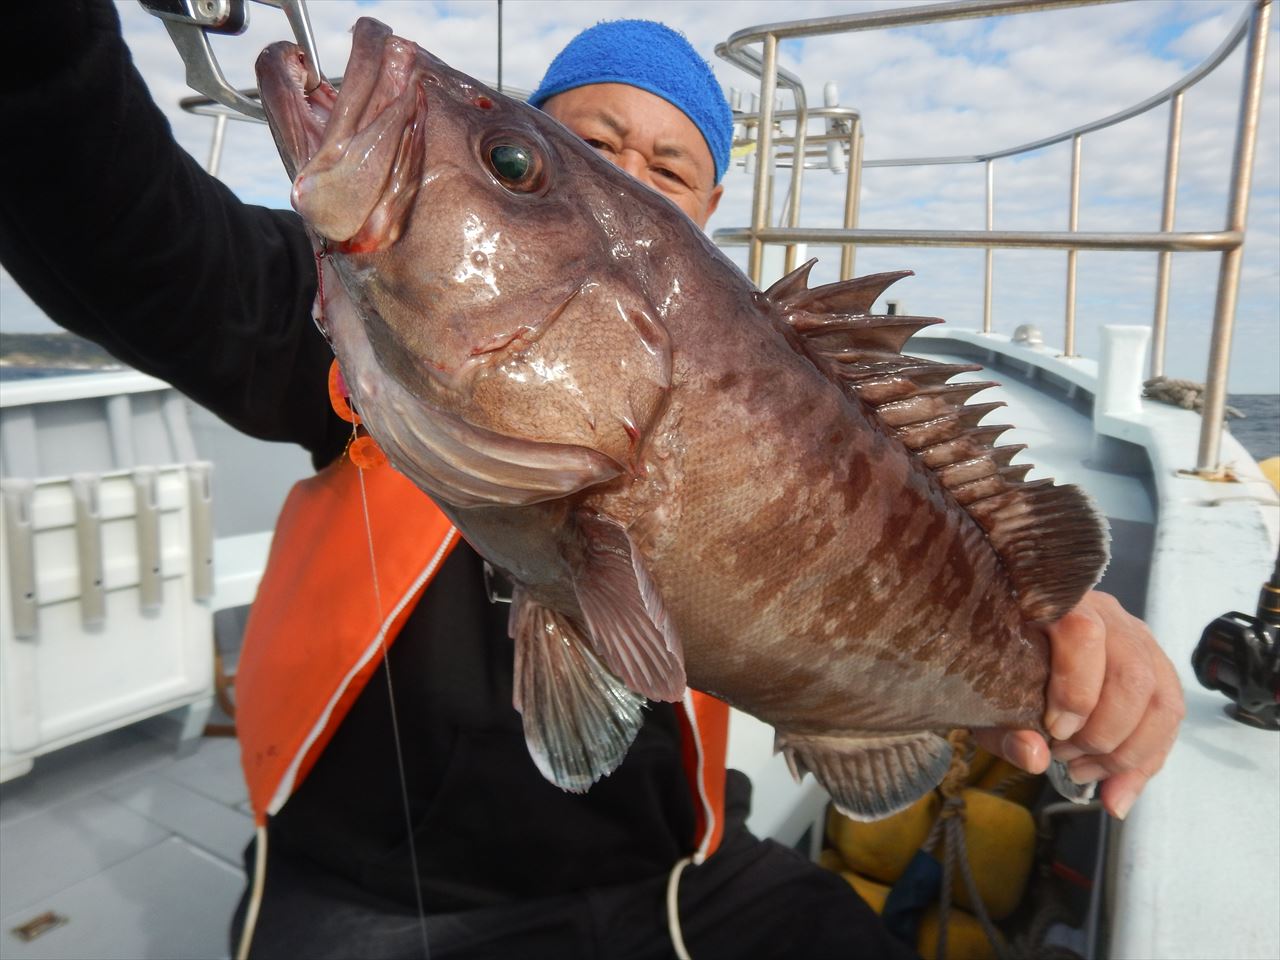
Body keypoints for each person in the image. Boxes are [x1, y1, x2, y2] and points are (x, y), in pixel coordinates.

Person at [0, 5, 1183, 958]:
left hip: (669, 882)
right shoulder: (336, 325)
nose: (633, 168)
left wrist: (1073, 641)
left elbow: (963, 548)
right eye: (573, 148)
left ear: (700, 219)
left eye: (667, 164)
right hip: (378, 896)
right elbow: (114, 223)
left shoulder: (776, 391)